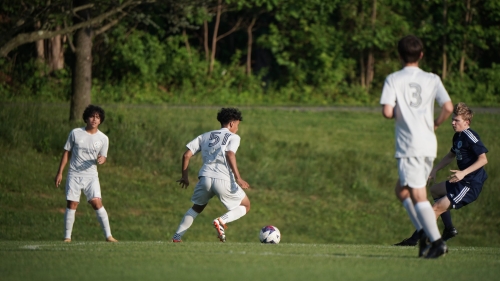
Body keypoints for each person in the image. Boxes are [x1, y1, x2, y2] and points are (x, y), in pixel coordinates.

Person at [380, 35, 453, 258]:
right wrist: (436, 123)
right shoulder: (432, 78)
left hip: (410, 145)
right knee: (402, 190)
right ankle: (423, 231)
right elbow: (448, 106)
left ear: (399, 56)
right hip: (429, 143)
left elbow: (387, 112)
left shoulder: (394, 79)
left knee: (418, 195)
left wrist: (397, 113)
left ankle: (437, 241)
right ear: (421, 55)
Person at [394, 102, 488, 245]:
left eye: (457, 120)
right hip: (462, 180)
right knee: (435, 191)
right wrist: (435, 169)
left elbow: (483, 159)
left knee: (435, 209)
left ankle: (413, 240)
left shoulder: (470, 136)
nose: (453, 123)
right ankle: (449, 229)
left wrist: (463, 173)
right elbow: (451, 155)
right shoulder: (458, 137)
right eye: (452, 119)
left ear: (467, 122)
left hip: (470, 183)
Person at [172, 108, 251, 243]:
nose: (237, 128)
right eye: (237, 125)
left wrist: (185, 176)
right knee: (245, 205)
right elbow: (230, 154)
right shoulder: (234, 137)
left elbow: (186, 155)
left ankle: (177, 237)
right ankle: (221, 221)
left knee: (196, 208)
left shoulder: (205, 136)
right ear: (232, 123)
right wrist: (238, 178)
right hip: (223, 179)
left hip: (205, 178)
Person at [54, 105, 117, 243]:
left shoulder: (103, 138)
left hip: (91, 176)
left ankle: (109, 236)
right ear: (86, 118)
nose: (94, 119)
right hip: (74, 174)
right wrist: (60, 173)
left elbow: (104, 156)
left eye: (98, 117)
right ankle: (67, 237)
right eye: (92, 116)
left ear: (100, 120)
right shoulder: (75, 133)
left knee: (97, 202)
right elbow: (66, 152)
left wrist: (102, 159)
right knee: (72, 204)